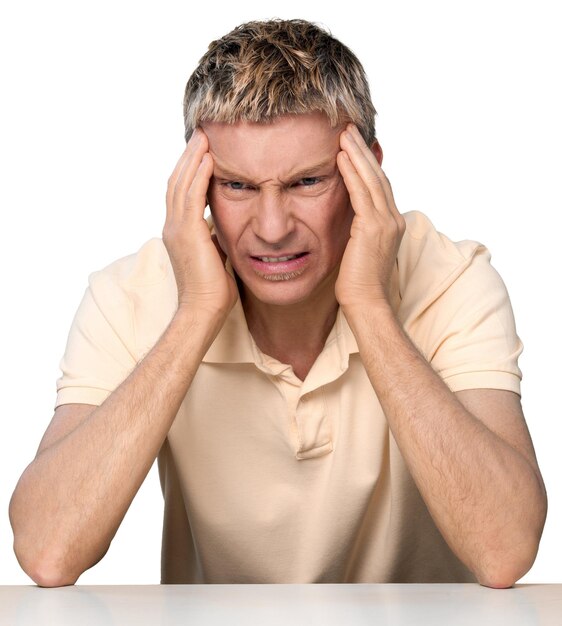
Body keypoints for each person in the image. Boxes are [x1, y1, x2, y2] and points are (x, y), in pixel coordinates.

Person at [9, 18, 547, 588]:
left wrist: (368, 304)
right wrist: (195, 314)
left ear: (370, 170)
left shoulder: (450, 278)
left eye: (307, 182)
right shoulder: (132, 294)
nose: (271, 229)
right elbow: (48, 551)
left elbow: (505, 549)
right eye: (237, 186)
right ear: (196, 184)